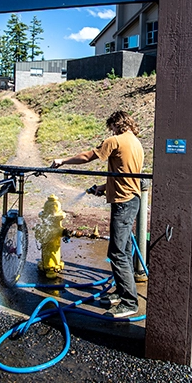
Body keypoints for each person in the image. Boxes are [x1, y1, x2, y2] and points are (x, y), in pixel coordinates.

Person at [51, 110, 144, 318]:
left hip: (123, 203)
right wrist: (102, 188)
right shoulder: (135, 142)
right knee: (125, 250)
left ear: (116, 124)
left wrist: (62, 160)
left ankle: (129, 302)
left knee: (117, 252)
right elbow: (123, 174)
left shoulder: (115, 140)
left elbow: (88, 156)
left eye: (110, 127)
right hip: (132, 200)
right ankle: (122, 292)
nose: (109, 130)